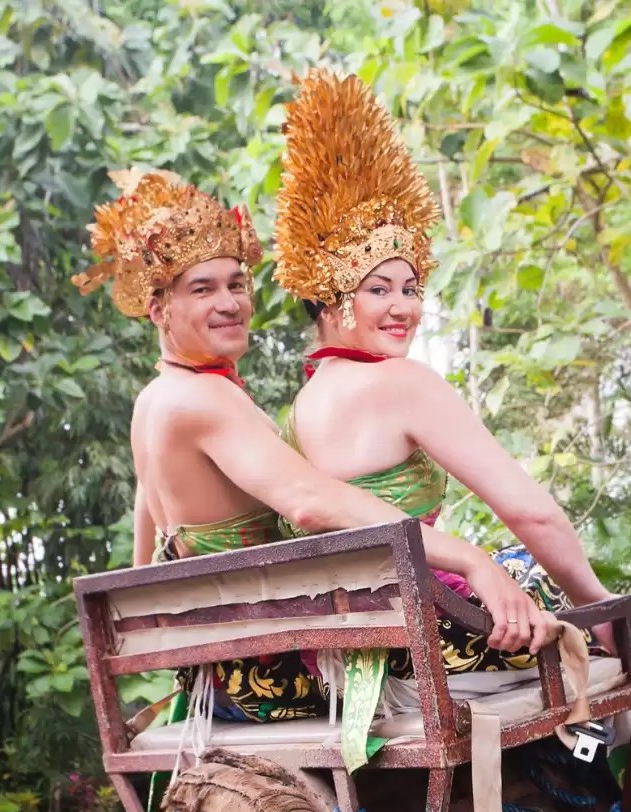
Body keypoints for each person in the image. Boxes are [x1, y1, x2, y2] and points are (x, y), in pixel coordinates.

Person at [72, 168, 553, 725]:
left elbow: (143, 551)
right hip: (269, 671)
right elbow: (308, 501)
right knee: (528, 581)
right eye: (203, 289)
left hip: (221, 670)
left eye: (236, 283)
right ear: (159, 310)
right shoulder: (204, 400)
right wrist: (471, 561)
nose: (230, 302)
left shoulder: (155, 400)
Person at [269, 70, 631, 685]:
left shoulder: (302, 406)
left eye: (411, 288)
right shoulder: (403, 383)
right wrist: (597, 606)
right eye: (378, 289)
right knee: (563, 599)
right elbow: (534, 515)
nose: (405, 307)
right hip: (421, 641)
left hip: (341, 655)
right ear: (334, 299)